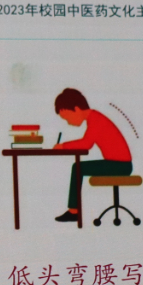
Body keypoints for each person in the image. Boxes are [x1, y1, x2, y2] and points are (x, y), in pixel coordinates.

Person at [51, 88, 132, 222]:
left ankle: (74, 212)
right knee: (78, 167)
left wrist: (62, 146)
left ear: (76, 109)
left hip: (120, 166)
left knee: (78, 167)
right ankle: (74, 211)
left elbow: (86, 144)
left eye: (67, 117)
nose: (68, 122)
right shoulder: (94, 117)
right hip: (118, 164)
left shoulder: (96, 120)